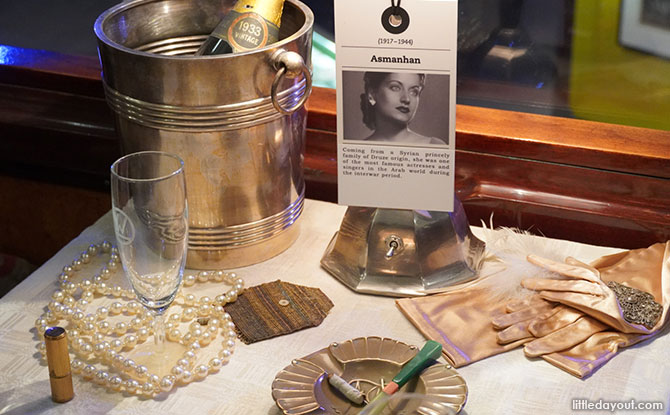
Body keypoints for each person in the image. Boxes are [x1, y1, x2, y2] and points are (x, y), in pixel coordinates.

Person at [359, 72, 444, 145]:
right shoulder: (358, 150)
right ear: (372, 94)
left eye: (414, 92)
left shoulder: (435, 145)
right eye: (395, 88)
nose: (406, 99)